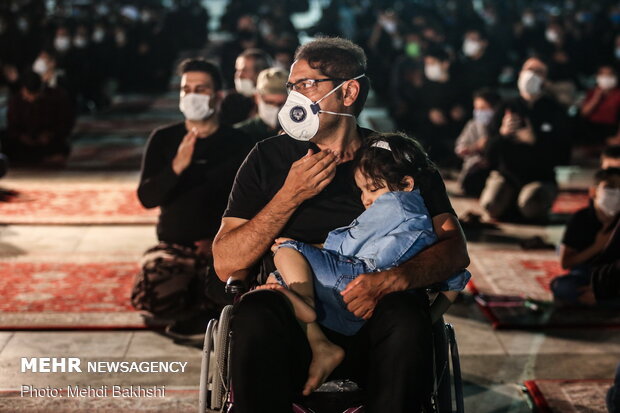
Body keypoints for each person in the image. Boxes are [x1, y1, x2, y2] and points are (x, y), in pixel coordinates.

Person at [213, 37, 470, 413]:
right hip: (293, 319)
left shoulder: (394, 159)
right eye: (291, 86)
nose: (293, 96)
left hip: (375, 313)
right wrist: (289, 196)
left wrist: (393, 280)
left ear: (348, 91)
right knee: (255, 314)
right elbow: (224, 262)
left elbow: (454, 251)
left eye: (305, 84)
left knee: (406, 315)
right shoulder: (267, 158)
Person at [262, 132, 471, 395]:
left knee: (287, 249)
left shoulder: (395, 206)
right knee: (284, 273)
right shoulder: (423, 223)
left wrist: (307, 248)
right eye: (362, 191)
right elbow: (455, 280)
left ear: (406, 183)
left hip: (354, 279)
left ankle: (310, 321)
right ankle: (293, 299)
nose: (365, 200)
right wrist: (428, 320)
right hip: (374, 299)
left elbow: (344, 245)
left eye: (373, 188)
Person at [133, 58, 254, 340]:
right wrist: (176, 167)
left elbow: (253, 202)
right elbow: (147, 197)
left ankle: (208, 308)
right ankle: (200, 306)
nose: (192, 95)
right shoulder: (164, 138)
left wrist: (219, 241)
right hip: (177, 248)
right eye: (187, 89)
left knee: (245, 288)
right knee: (154, 293)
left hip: (226, 245)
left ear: (217, 95)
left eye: (201, 89)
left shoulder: (238, 142)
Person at [480, 57, 570, 222]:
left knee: (530, 209)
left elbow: (564, 154)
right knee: (490, 206)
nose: (531, 75)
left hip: (540, 177)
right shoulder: (506, 106)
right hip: (507, 174)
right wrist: (503, 134)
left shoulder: (554, 109)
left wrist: (535, 141)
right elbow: (488, 151)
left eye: (538, 72)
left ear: (545, 79)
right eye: (528, 69)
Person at [550, 168, 620, 306]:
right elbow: (566, 263)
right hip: (586, 271)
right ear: (593, 191)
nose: (616, 193)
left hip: (615, 274)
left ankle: (602, 299)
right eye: (610, 187)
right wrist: (597, 246)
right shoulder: (581, 219)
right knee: (561, 286)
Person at [4, 70, 74, 166]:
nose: (31, 98)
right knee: (8, 145)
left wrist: (50, 134)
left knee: (60, 147)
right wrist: (22, 137)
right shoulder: (16, 101)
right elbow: (12, 126)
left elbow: (66, 122)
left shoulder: (56, 96)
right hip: (24, 142)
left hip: (48, 141)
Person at [455, 88, 501, 197]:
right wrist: (476, 147)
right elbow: (460, 148)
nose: (479, 112)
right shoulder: (472, 125)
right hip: (475, 167)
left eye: (483, 108)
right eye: (477, 108)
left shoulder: (501, 126)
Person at [219, 48, 272, 126]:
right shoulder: (230, 102)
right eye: (237, 70)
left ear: (261, 73)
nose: (239, 75)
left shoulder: (274, 99)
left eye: (244, 70)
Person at [235, 67, 288, 143]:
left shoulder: (295, 134)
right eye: (269, 102)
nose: (275, 109)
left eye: (280, 104)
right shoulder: (239, 134)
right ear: (257, 97)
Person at [580, 65, 620, 145]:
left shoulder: (618, 94)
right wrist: (596, 98)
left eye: (609, 74)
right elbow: (584, 113)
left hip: (611, 130)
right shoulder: (592, 93)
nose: (606, 77)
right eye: (603, 74)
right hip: (591, 130)